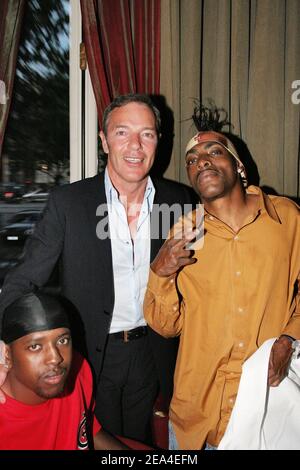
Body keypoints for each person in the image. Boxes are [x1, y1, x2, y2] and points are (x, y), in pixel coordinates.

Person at [0, 93, 195, 443]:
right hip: (89, 355)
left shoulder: (177, 201)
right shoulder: (69, 203)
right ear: (104, 141)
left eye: (146, 134)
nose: (135, 145)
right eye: (122, 132)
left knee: (136, 440)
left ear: (158, 141)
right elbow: (23, 280)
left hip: (151, 352)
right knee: (89, 440)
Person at [144, 129, 300, 450]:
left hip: (265, 410)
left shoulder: (286, 219)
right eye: (192, 160)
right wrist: (160, 273)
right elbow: (167, 326)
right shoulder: (183, 231)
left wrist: (289, 338)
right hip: (196, 420)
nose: (201, 162)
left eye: (214, 153)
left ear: (239, 166)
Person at [0, 292, 129, 450]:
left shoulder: (79, 370)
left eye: (62, 340)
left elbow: (89, 432)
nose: (55, 358)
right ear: (7, 354)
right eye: (35, 346)